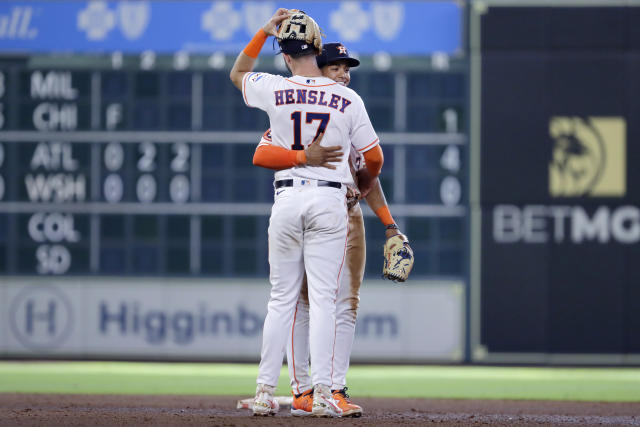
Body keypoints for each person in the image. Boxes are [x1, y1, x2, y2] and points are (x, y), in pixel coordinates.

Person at [229, 9, 384, 418]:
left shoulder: (273, 87)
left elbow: (238, 72)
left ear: (284, 56)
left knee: (281, 299)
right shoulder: (347, 97)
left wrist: (262, 32)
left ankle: (264, 392)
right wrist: (364, 186)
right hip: (328, 200)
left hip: (286, 198)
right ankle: (321, 395)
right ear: (319, 49)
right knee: (324, 299)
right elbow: (374, 157)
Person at [253, 42, 408, 418]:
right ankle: (305, 389)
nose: (344, 73)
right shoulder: (296, 107)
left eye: (346, 68)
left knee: (344, 301)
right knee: (305, 300)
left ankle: (332, 388)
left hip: (342, 210)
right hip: (321, 208)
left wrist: (389, 226)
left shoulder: (346, 108)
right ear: (317, 69)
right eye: (335, 67)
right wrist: (305, 157)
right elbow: (261, 152)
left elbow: (368, 174)